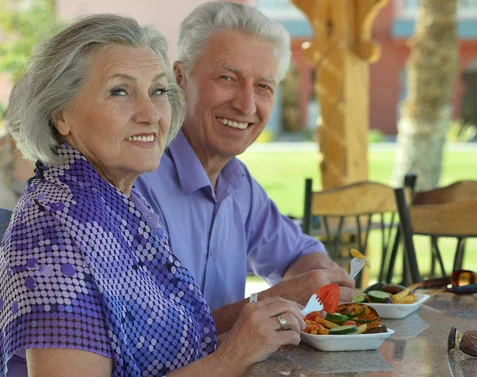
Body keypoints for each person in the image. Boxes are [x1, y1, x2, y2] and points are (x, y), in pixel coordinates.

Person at [0, 13, 304, 377]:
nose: (150, 113)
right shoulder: (51, 226)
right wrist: (232, 356)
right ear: (60, 114)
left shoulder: (118, 205)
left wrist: (248, 338)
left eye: (158, 91)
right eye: (119, 91)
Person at [135, 1, 355, 334]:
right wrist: (267, 303)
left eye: (264, 87)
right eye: (227, 78)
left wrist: (319, 277)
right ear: (179, 78)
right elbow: (151, 338)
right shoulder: (135, 181)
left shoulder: (238, 183)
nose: (247, 105)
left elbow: (299, 254)